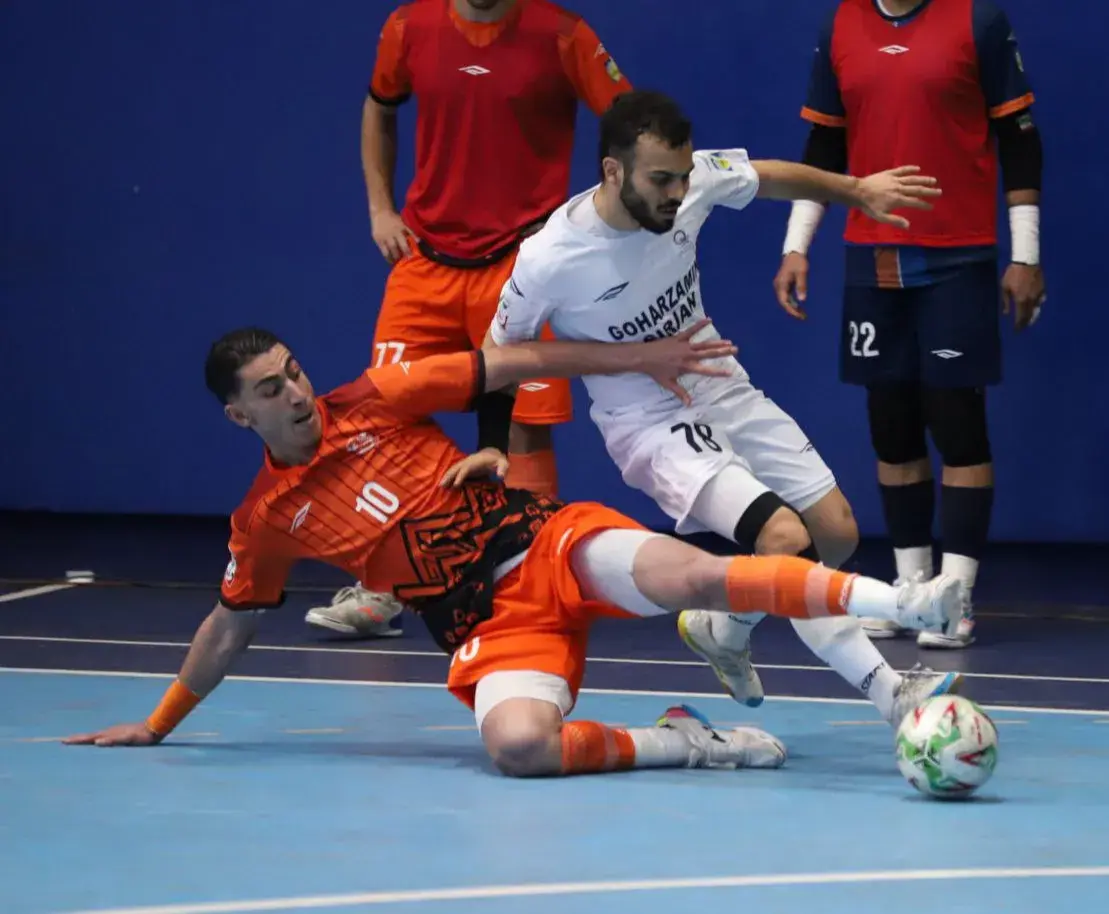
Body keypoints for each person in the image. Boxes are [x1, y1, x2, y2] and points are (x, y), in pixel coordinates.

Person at [63, 327, 962, 777]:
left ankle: (900, 599)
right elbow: (230, 623)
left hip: (547, 543)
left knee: (696, 574)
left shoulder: (375, 397)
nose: (295, 393)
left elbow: (514, 361)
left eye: (293, 372)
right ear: (239, 415)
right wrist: (160, 722)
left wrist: (639, 357)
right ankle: (687, 742)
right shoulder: (266, 518)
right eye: (270, 390)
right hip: (488, 626)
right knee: (521, 749)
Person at [480, 89, 964, 723]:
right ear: (613, 171)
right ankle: (891, 692)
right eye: (661, 180)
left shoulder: (691, 183)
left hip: (720, 383)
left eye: (683, 176)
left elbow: (767, 177)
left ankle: (724, 629)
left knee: (836, 533)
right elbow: (499, 354)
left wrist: (856, 190)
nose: (678, 192)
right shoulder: (551, 258)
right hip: (649, 424)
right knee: (784, 537)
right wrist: (494, 442)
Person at [307, 0, 634, 637]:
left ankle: (534, 591)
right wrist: (380, 209)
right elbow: (379, 106)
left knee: (523, 432)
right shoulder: (409, 27)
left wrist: (587, 224)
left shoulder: (563, 35)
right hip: (425, 258)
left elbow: (633, 127)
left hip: (522, 264)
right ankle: (386, 588)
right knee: (384, 419)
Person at [772, 0, 1047, 649]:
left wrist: (1026, 255)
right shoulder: (842, 25)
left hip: (959, 257)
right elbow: (824, 145)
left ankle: (955, 596)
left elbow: (1019, 140)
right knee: (891, 426)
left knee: (956, 423)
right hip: (872, 260)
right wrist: (796, 245)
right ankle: (911, 590)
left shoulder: (977, 20)